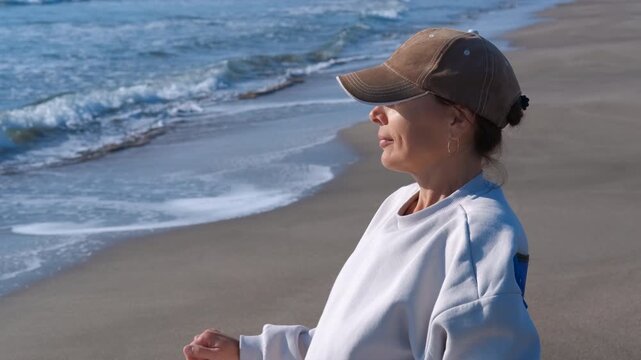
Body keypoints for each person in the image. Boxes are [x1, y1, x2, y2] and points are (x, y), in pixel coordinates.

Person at [182, 26, 538, 360]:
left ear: (457, 119)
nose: (375, 114)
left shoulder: (478, 238)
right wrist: (255, 352)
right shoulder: (398, 205)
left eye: (395, 99)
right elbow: (349, 339)